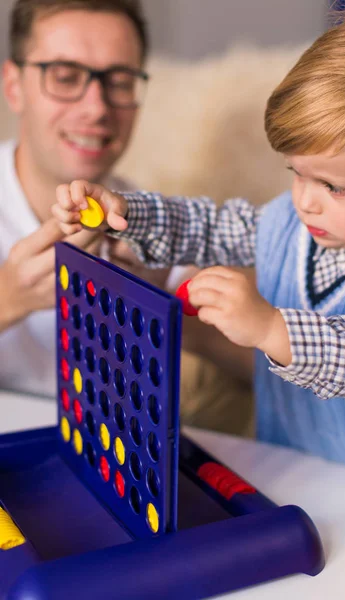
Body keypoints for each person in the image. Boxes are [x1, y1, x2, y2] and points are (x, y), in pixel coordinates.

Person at [53, 1, 345, 467]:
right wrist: (127, 211)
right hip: (288, 461)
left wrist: (271, 328)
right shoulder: (287, 222)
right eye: (296, 173)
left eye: (334, 186)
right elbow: (209, 227)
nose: (306, 200)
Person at [0, 0, 254, 438]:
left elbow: (269, 371)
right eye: (65, 77)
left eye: (119, 82)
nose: (97, 107)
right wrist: (8, 298)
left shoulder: (150, 223)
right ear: (13, 85)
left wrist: (165, 311)